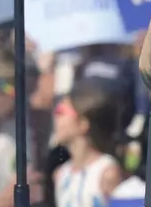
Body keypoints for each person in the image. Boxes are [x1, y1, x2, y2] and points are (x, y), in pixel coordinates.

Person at [53, 79, 124, 207]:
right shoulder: (61, 175)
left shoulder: (106, 172)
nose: (56, 118)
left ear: (82, 124)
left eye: (61, 112)